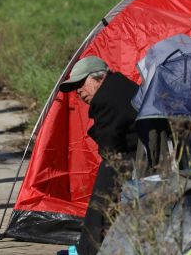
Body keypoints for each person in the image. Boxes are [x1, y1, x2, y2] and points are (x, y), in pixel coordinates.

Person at [59, 56, 139, 254]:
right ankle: (90, 246)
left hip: (141, 157)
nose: (78, 91)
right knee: (109, 169)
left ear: (98, 78)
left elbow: (108, 148)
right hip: (139, 152)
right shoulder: (117, 86)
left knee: (107, 179)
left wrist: (96, 134)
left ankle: (88, 249)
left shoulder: (107, 98)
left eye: (81, 84)